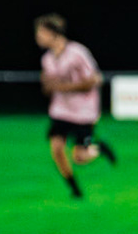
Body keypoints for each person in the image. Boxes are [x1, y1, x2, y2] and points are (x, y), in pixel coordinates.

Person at [35, 14, 116, 198]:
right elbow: (49, 88)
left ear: (52, 33)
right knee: (56, 148)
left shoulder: (77, 53)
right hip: (60, 110)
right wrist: (47, 85)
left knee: (79, 158)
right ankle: (74, 188)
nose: (38, 37)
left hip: (83, 112)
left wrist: (63, 87)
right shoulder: (47, 59)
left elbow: (94, 79)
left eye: (41, 32)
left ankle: (99, 148)